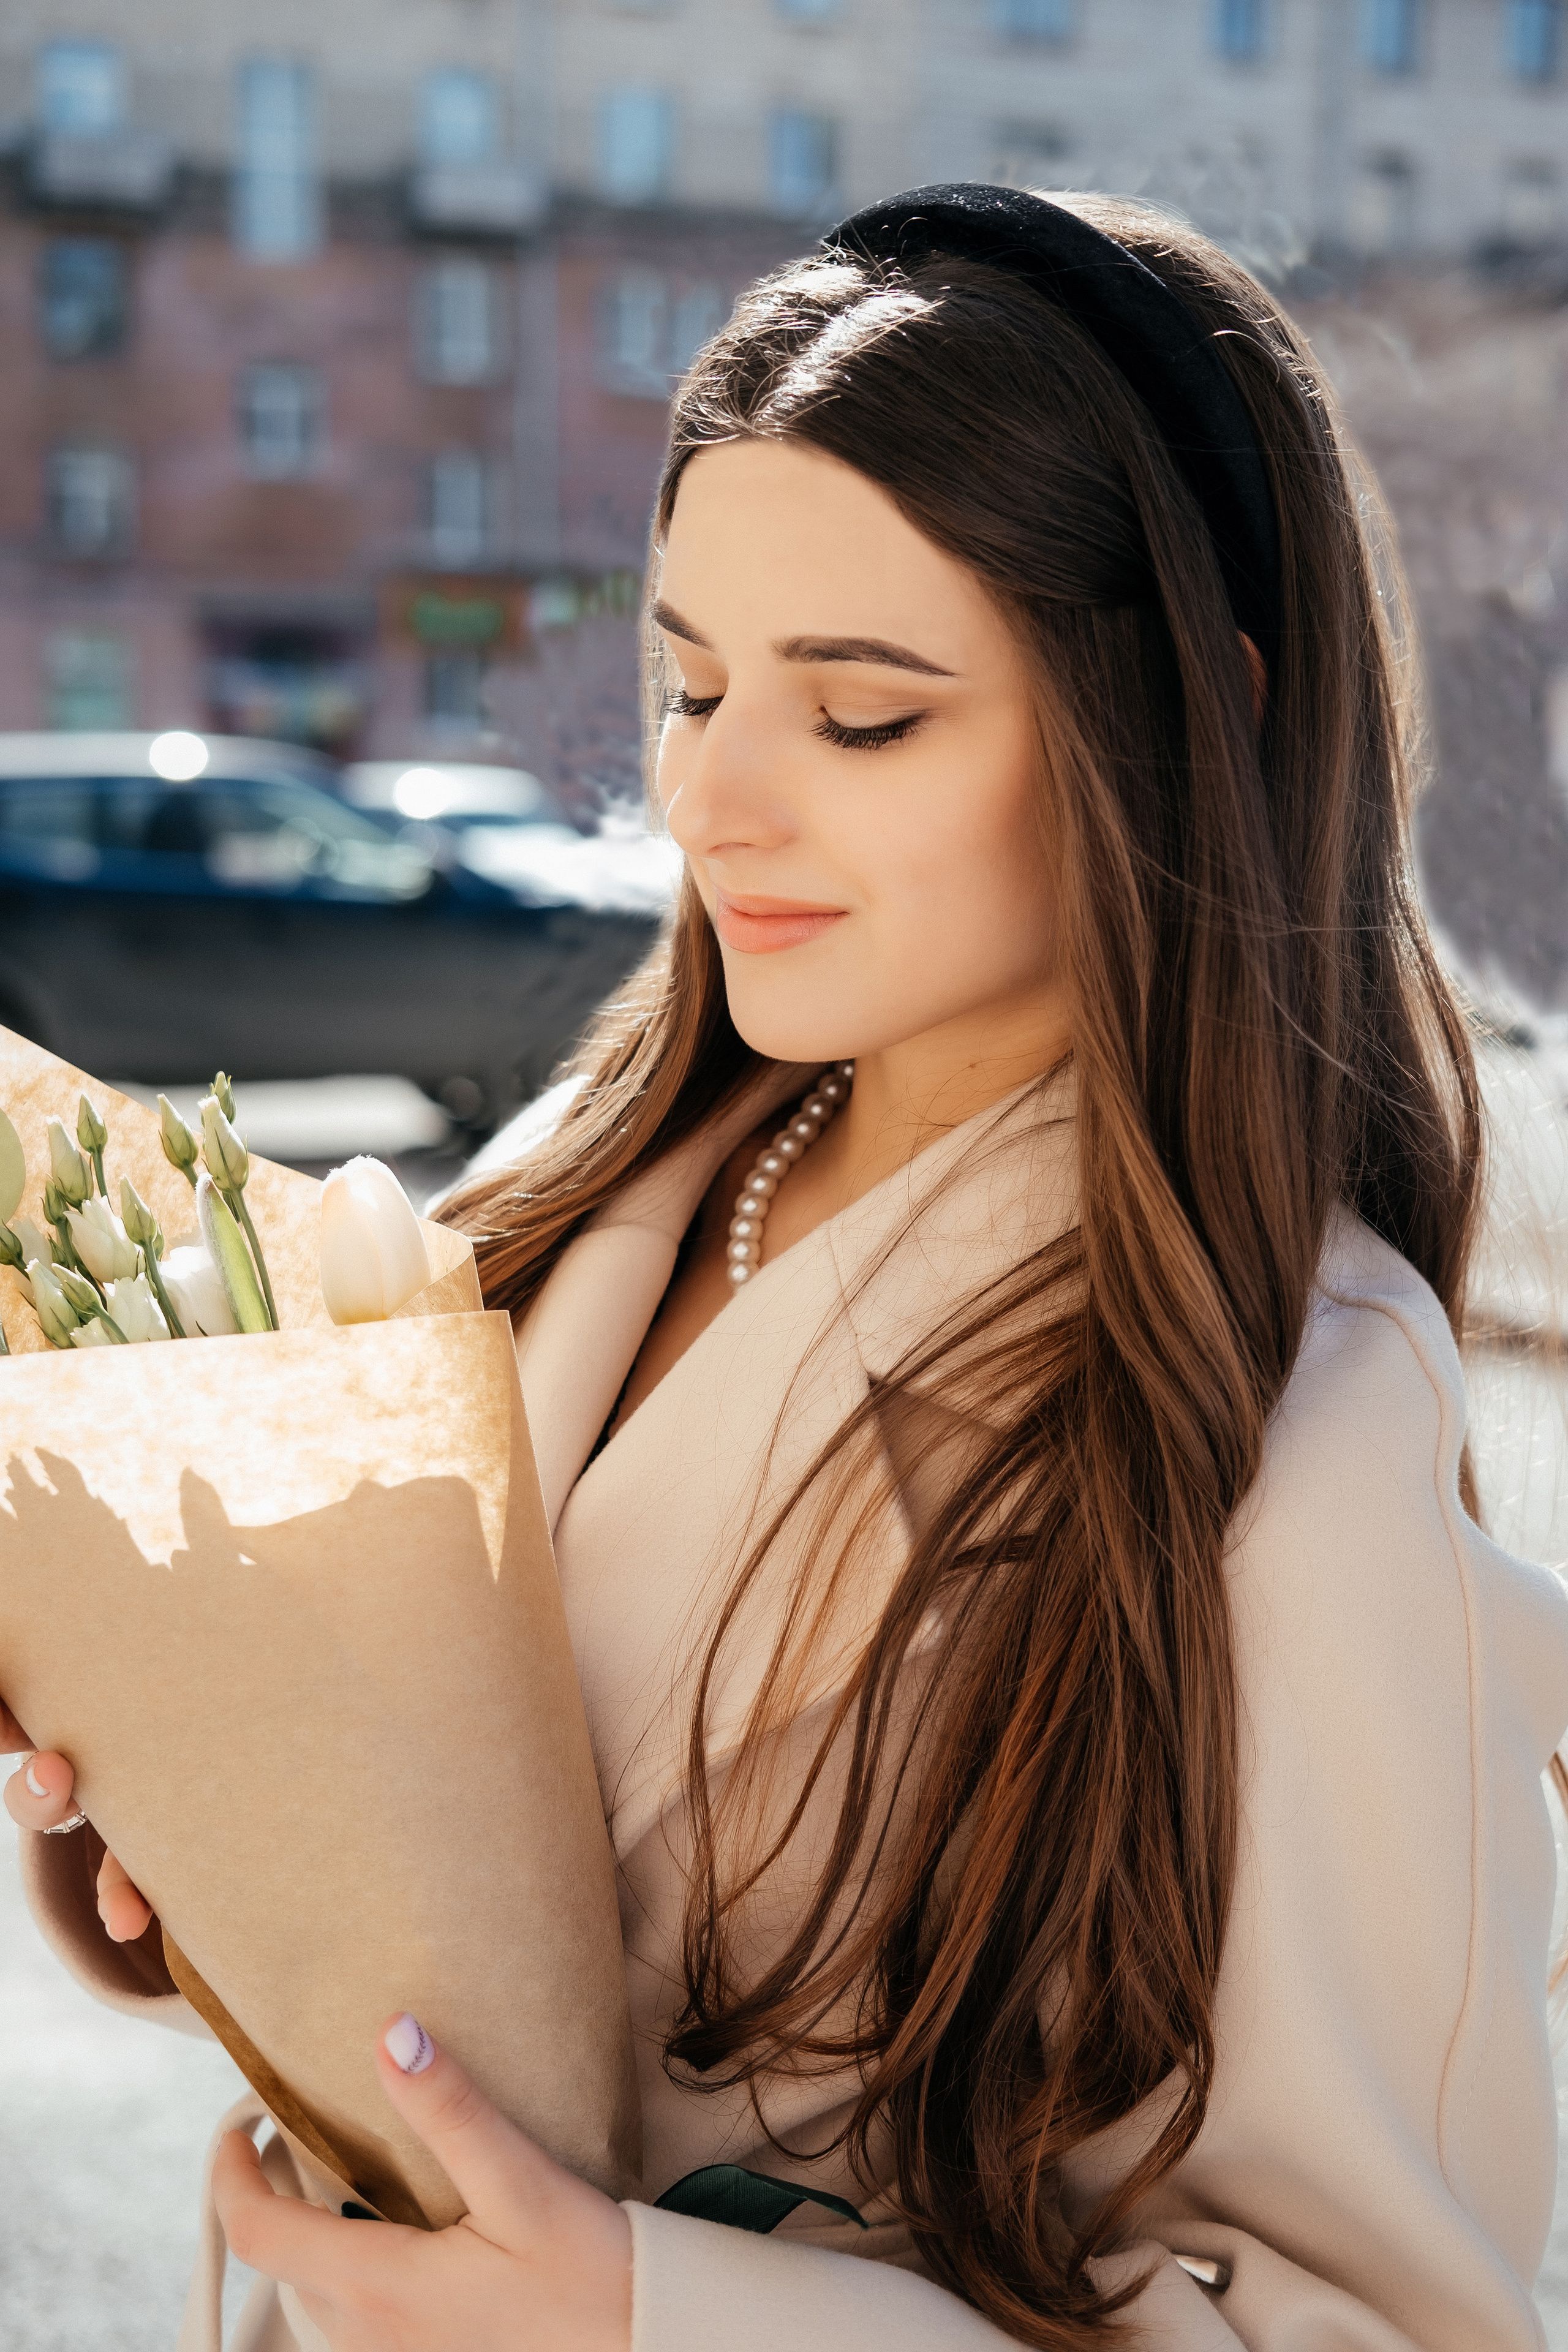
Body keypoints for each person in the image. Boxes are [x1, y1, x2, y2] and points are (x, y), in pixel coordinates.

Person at [7, 183, 1567, 2352]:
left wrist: (655, 2316)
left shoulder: (1293, 1429)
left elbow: (1381, 2329)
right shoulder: (570, 1197)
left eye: (862, 715)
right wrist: (196, 1853)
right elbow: (499, 1942)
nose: (709, 800)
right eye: (687, 683)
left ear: (1186, 715)